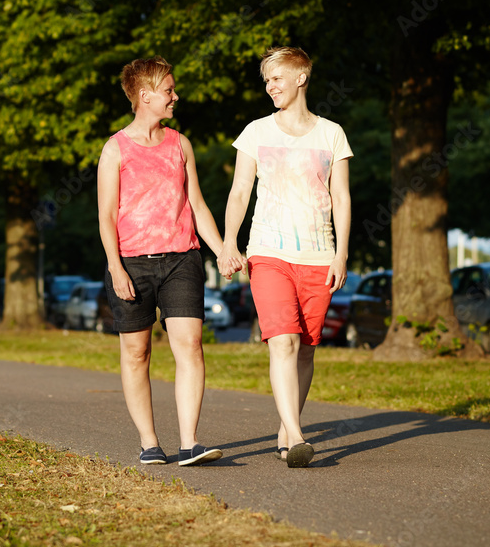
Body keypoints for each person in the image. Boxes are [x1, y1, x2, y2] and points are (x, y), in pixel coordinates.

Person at [97, 56, 239, 466]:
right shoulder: (115, 149)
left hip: (182, 259)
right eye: (169, 90)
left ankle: (190, 442)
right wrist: (116, 267)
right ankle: (149, 443)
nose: (176, 96)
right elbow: (106, 216)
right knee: (136, 353)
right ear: (145, 96)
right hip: (132, 263)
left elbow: (196, 203)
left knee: (190, 345)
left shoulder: (180, 144)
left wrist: (222, 249)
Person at [221, 46, 352, 468]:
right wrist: (229, 242)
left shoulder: (331, 133)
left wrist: (342, 254)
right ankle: (295, 435)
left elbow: (342, 196)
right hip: (268, 250)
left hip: (319, 254)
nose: (270, 87)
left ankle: (286, 426)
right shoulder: (256, 131)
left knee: (307, 349)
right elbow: (240, 191)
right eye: (266, 81)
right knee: (283, 341)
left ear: (301, 77)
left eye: (276, 78)